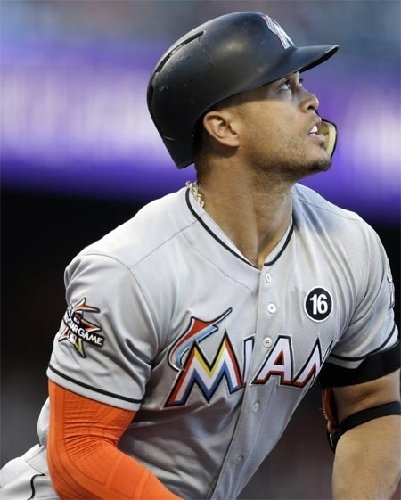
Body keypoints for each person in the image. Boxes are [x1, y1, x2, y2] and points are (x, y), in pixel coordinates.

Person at [1, 11, 400, 500]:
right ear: (223, 126)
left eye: (301, 83)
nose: (310, 100)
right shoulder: (131, 267)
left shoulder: (350, 247)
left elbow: (371, 404)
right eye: (283, 87)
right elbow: (77, 454)